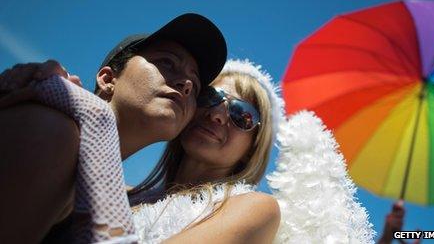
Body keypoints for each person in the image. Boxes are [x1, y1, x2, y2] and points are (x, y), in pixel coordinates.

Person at [0, 13, 227, 243]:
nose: (186, 84)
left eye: (196, 86)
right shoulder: (53, 130)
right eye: (167, 62)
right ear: (108, 79)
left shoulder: (124, 193)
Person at [129, 59, 284, 243]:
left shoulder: (257, 208)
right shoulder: (122, 196)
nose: (216, 114)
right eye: (210, 96)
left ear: (252, 148)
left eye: (242, 114)